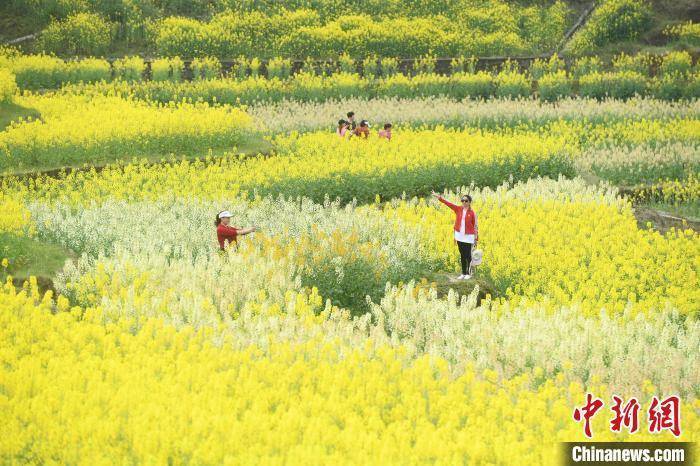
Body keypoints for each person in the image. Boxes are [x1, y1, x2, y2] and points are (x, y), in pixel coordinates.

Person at [431, 191, 479, 280]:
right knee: (462, 255)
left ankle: (469, 273)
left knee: (468, 255)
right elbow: (448, 203)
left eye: (466, 201)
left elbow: (475, 226)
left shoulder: (472, 213)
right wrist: (439, 197)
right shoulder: (458, 209)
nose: (464, 202)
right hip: (459, 236)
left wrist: (476, 238)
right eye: (462, 201)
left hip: (468, 237)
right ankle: (463, 273)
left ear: (469, 202)